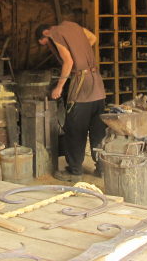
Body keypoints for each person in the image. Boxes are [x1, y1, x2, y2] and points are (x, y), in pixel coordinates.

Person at [36, 21, 106, 182]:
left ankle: (75, 171)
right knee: (98, 131)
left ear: (46, 33)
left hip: (81, 85)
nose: (49, 46)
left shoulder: (55, 33)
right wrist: (79, 52)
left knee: (75, 130)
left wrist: (59, 87)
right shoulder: (72, 26)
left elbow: (68, 62)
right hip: (97, 84)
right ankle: (102, 168)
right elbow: (93, 38)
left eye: (46, 44)